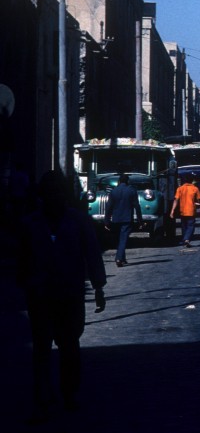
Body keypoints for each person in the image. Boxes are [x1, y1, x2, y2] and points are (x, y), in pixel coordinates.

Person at [17, 169, 107, 420]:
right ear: (42, 196)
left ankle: (69, 393)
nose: (54, 198)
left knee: (69, 346)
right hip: (40, 296)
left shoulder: (79, 222)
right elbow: (22, 260)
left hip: (70, 294)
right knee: (42, 348)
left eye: (59, 193)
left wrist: (99, 287)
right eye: (50, 193)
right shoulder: (30, 224)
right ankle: (43, 396)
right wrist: (25, 285)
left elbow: (92, 254)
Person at [103, 172, 142, 267]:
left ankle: (123, 258)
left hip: (116, 219)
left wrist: (106, 221)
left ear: (119, 181)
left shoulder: (113, 191)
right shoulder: (132, 191)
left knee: (119, 239)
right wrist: (140, 220)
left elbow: (108, 207)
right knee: (123, 239)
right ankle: (119, 258)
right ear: (128, 181)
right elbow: (137, 206)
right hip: (127, 218)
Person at [170, 174, 200, 248]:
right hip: (191, 211)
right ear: (192, 181)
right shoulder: (195, 188)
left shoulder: (180, 189)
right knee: (191, 226)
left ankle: (184, 239)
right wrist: (199, 206)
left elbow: (176, 200)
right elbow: (199, 199)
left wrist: (172, 210)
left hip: (182, 211)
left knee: (184, 226)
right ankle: (187, 239)